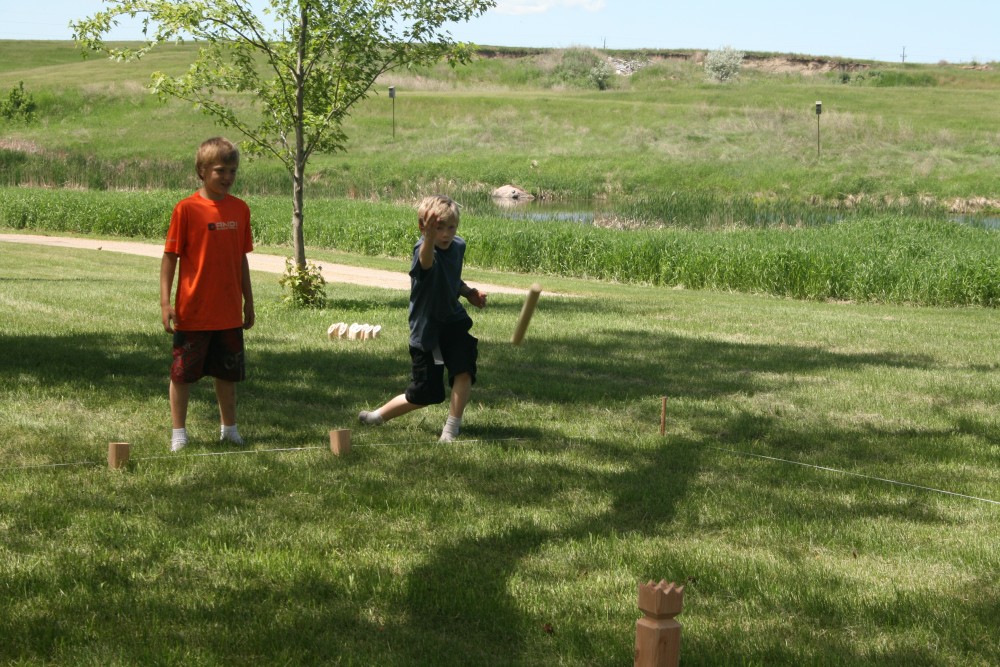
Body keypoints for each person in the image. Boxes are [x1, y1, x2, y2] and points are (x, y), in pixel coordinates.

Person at [359, 194, 487, 442]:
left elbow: (450, 278)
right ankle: (377, 416)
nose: (446, 234)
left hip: (453, 320)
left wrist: (468, 293)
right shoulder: (423, 248)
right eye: (438, 228)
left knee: (464, 369)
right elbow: (427, 264)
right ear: (424, 227)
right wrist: (429, 238)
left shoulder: (458, 246)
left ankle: (451, 428)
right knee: (427, 392)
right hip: (428, 329)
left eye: (451, 227)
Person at [160, 137, 255, 452]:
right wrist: (165, 303)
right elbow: (170, 258)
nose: (227, 177)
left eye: (232, 170)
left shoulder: (240, 209)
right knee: (182, 375)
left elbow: (241, 259)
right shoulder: (186, 209)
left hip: (227, 313)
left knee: (226, 374)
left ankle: (229, 429)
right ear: (201, 171)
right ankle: (179, 433)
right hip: (193, 312)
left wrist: (248, 301)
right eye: (220, 170)